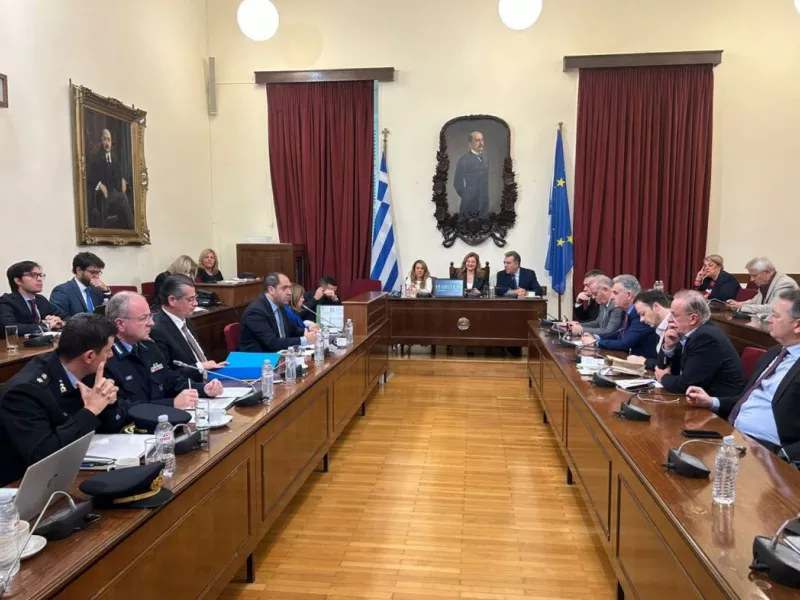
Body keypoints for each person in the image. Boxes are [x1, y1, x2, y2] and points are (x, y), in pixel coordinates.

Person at [0, 313, 124, 486]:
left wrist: (108, 404)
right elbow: (43, 456)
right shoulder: (24, 392)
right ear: (89, 356)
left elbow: (112, 427)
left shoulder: (87, 371)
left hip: (77, 464)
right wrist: (90, 411)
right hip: (27, 484)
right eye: (108, 350)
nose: (111, 354)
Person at [687, 289, 800, 460]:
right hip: (733, 435)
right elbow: (745, 399)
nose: (768, 319)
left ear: (797, 325)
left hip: (768, 451)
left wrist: (784, 457)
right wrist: (712, 401)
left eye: (776, 316)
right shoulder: (773, 353)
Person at [103, 292, 222, 411]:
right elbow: (120, 410)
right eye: (144, 318)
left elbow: (170, 380)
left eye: (150, 316)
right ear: (120, 324)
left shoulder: (149, 346)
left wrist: (203, 389)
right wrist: (171, 404)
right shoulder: (106, 358)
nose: (151, 323)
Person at [653, 290, 745, 397]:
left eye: (674, 315)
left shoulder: (706, 338)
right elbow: (662, 367)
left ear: (693, 319)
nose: (669, 320)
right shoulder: (685, 332)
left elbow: (686, 385)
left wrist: (663, 377)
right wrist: (668, 347)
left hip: (717, 402)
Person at [150, 275, 228, 382]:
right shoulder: (157, 330)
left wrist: (212, 368)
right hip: (190, 387)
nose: (196, 303)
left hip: (209, 378)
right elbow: (166, 375)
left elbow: (196, 357)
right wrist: (201, 367)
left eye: (195, 298)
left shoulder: (184, 319)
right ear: (172, 300)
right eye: (190, 299)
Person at [239, 273, 318, 352]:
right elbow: (272, 342)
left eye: (289, 288)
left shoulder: (279, 305)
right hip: (260, 357)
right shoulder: (256, 311)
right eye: (284, 288)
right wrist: (305, 340)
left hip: (279, 353)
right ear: (271, 290)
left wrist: (308, 330)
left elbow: (292, 330)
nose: (290, 293)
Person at [583, 275, 658, 358]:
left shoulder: (639, 313)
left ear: (629, 295)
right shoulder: (627, 311)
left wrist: (595, 342)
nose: (611, 297)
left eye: (615, 293)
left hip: (643, 362)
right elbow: (620, 333)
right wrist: (597, 337)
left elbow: (625, 343)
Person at [1, 261, 66, 336]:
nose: (39, 279)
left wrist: (60, 322)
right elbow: (10, 327)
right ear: (18, 280)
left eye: (40, 275)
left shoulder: (41, 300)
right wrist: (46, 326)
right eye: (33, 275)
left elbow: (65, 317)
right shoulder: (6, 302)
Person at [86, 128, 134, 229]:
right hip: (101, 194)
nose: (107, 143)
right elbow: (90, 177)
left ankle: (131, 228)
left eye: (109, 140)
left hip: (113, 192)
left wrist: (122, 179)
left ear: (111, 142)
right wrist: (100, 185)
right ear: (101, 141)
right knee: (116, 198)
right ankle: (102, 231)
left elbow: (119, 172)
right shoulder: (96, 158)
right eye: (105, 139)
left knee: (124, 197)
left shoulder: (114, 158)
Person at [727, 257, 799, 314]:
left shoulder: (785, 284)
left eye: (754, 275)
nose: (751, 279)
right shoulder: (765, 283)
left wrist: (742, 307)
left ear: (767, 272)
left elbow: (774, 308)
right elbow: (755, 301)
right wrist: (739, 304)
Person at [50, 252, 112, 317]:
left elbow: (112, 311)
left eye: (98, 272)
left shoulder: (96, 289)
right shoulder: (62, 291)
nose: (97, 276)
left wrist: (106, 290)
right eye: (93, 272)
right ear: (79, 270)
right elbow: (61, 318)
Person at [630, 288, 672, 369]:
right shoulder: (658, 327)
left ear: (656, 307)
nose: (641, 320)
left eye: (643, 314)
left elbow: (671, 366)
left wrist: (643, 361)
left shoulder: (675, 326)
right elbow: (660, 361)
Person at [454, 131, 490, 219]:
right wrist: (467, 196)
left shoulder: (486, 159)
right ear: (470, 144)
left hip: (484, 204)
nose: (481, 143)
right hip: (469, 204)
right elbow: (457, 183)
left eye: (482, 140)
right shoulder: (464, 159)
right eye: (477, 140)